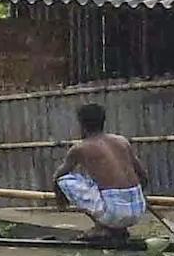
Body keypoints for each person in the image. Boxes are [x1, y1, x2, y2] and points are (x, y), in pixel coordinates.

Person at [55, 102, 156, 247]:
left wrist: (60, 201)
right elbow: (144, 177)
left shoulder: (79, 148)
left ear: (81, 125)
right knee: (93, 183)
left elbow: (57, 177)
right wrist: (138, 198)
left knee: (64, 180)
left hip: (113, 214)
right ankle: (118, 229)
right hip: (138, 209)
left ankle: (102, 228)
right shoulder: (122, 141)